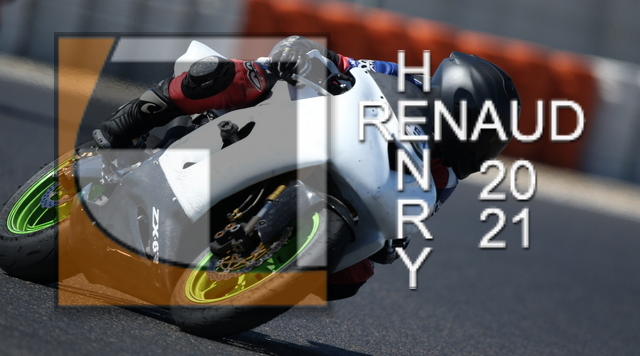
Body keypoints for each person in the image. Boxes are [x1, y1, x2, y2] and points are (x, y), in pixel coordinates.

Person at [93, 35, 521, 300]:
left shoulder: (445, 177)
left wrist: (392, 242)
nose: (482, 148)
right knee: (238, 76)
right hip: (309, 118)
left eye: (492, 141)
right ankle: (129, 123)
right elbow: (345, 66)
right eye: (482, 133)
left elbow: (408, 217)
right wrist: (303, 54)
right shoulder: (404, 81)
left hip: (350, 176)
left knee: (353, 274)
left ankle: (239, 273)